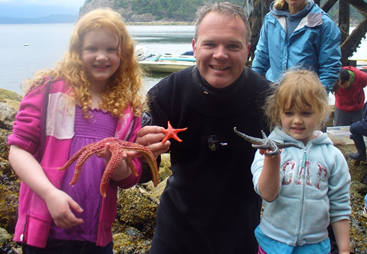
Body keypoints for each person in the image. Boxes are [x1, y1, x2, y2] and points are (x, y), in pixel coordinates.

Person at [135, 2, 271, 253]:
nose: (221, 54)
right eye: (210, 44)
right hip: (175, 235)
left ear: (248, 50)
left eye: (233, 45)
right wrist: (141, 153)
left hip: (243, 236)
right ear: (194, 47)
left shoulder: (269, 99)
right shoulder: (167, 93)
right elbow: (140, 172)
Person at [8, 8, 145, 254]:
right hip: (45, 232)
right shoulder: (48, 92)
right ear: (77, 52)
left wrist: (116, 162)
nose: (101, 57)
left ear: (123, 54)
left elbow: (130, 178)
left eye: (111, 50)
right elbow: (18, 151)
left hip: (97, 238)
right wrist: (50, 194)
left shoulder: (128, 110)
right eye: (92, 48)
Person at [251, 69, 351, 254]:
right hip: (272, 243)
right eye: (289, 113)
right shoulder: (266, 150)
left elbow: (340, 205)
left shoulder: (333, 156)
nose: (297, 120)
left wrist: (344, 249)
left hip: (316, 246)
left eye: (306, 113)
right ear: (278, 113)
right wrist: (272, 157)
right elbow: (267, 194)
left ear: (321, 112)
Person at [251, 0, 341, 94]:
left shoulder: (324, 24)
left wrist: (315, 99)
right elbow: (261, 58)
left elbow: (330, 67)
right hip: (274, 96)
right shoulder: (271, 18)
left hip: (306, 99)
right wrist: (253, 89)